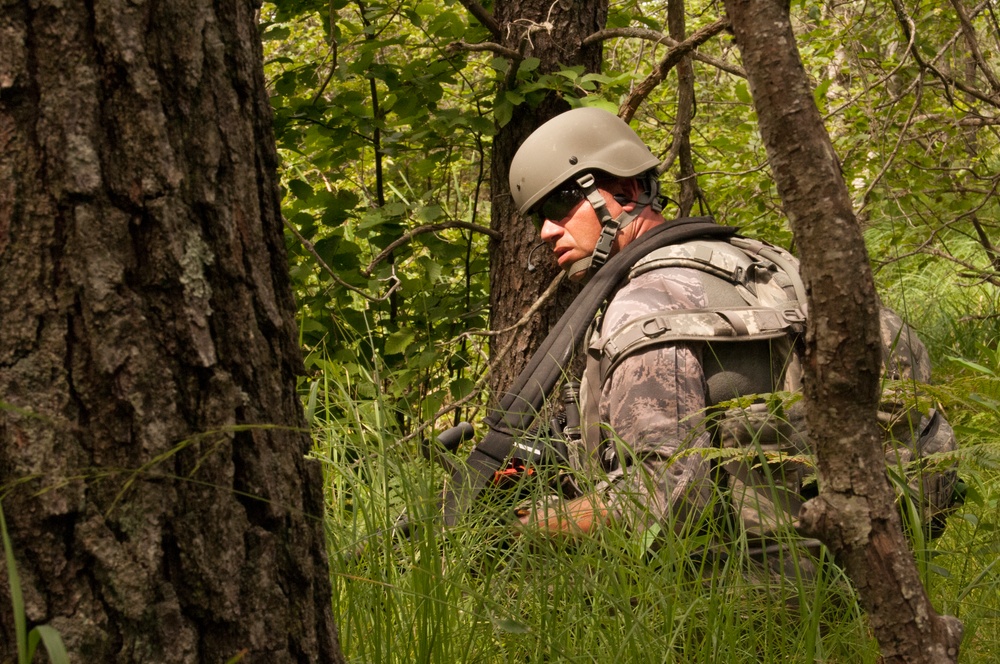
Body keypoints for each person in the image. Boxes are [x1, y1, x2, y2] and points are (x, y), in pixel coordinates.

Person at [505, 107, 957, 573]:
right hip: (897, 556)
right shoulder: (767, 262)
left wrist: (525, 525)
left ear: (624, 190)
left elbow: (663, 500)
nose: (546, 230)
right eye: (540, 215)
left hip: (765, 603)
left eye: (559, 204)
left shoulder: (645, 300)